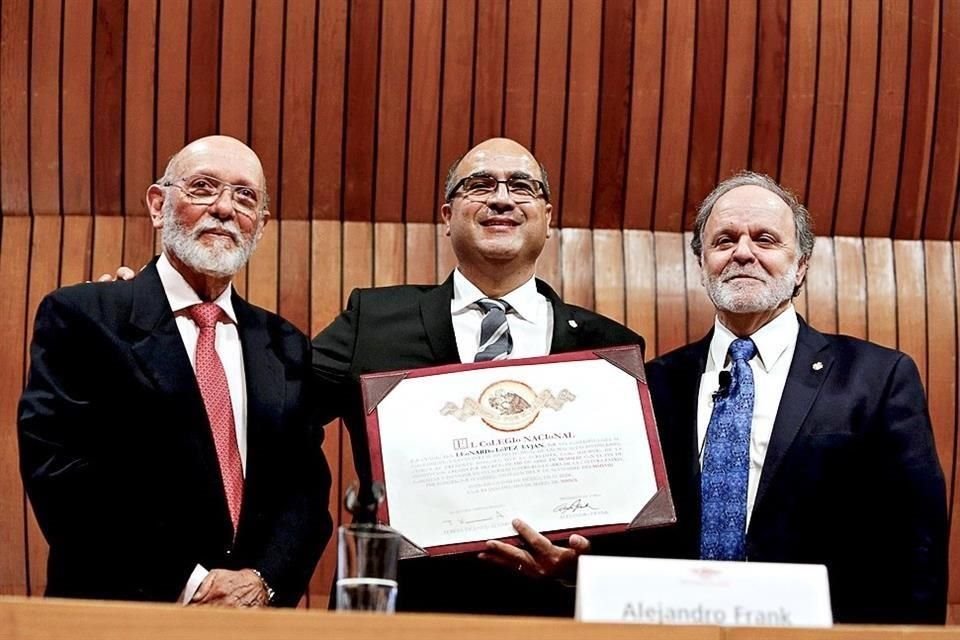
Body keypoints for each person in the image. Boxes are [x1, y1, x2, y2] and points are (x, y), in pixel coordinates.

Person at [311, 137, 644, 615]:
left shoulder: (611, 348)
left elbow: (634, 503)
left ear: (548, 218)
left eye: (522, 187)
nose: (502, 197)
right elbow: (274, 418)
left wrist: (581, 566)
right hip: (405, 618)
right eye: (480, 185)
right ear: (447, 216)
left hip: (549, 621)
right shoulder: (374, 320)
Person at [18, 136, 332, 606]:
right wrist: (193, 584)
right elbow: (61, 473)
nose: (225, 208)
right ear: (158, 204)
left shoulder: (284, 343)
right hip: (116, 616)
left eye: (245, 196)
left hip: (253, 623)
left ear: (261, 226)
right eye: (204, 187)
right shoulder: (84, 316)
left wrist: (262, 582)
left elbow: (305, 492)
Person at [641, 171, 947, 624]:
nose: (742, 252)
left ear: (801, 265)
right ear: (702, 262)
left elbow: (917, 542)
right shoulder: (654, 384)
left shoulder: (878, 378)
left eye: (765, 239)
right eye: (724, 240)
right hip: (672, 627)